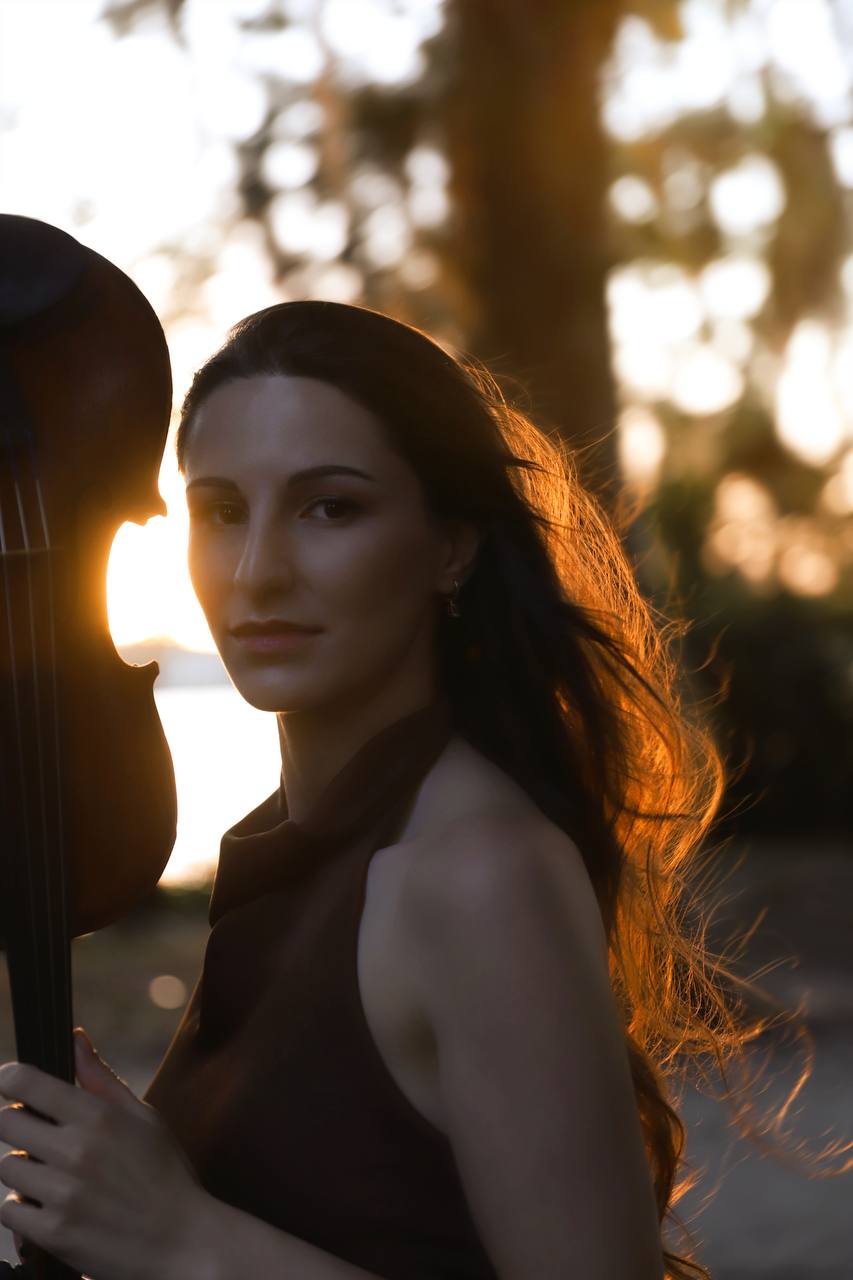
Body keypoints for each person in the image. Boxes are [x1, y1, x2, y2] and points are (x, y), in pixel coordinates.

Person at [0, 300, 768, 1279]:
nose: (256, 571)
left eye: (331, 506)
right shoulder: (292, 838)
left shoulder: (478, 870)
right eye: (223, 510)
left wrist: (185, 1236)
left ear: (452, 545)